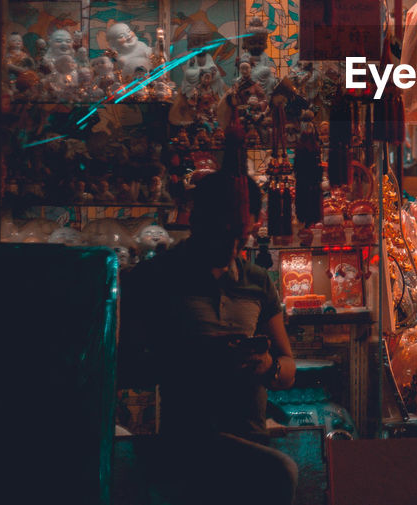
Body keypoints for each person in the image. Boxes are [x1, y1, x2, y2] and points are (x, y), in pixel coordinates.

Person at [119, 165, 298, 504]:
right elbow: (127, 365)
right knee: (282, 473)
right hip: (188, 445)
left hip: (251, 437)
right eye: (224, 233)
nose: (233, 246)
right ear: (196, 221)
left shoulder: (257, 281)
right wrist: (194, 358)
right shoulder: (155, 277)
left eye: (240, 236)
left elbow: (288, 368)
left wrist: (266, 366)